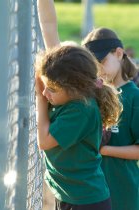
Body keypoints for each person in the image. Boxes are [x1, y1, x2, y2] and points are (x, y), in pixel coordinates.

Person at [35, 44, 121, 210]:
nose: (45, 92)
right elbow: (58, 57)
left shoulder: (81, 110)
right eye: (44, 87)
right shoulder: (70, 99)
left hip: (85, 201)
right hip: (71, 195)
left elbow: (44, 142)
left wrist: (40, 98)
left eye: (51, 89)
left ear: (76, 89)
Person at [82, 27, 139, 210]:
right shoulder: (92, 96)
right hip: (91, 193)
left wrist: (102, 149)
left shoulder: (134, 97)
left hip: (124, 193)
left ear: (119, 53)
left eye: (102, 61)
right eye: (93, 65)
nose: (98, 71)